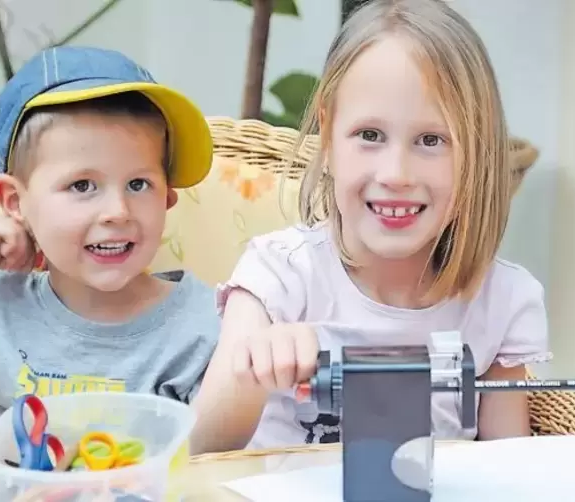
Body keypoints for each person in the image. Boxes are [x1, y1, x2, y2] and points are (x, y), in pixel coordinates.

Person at [191, 0, 551, 454]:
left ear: (477, 151)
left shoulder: (502, 302)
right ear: (328, 131)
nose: (396, 173)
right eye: (370, 135)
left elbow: (509, 472)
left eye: (431, 140)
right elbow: (198, 452)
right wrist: (255, 371)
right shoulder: (276, 276)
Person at [0, 46, 220, 419]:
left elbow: (228, 459)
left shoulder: (204, 324)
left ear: (166, 197)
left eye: (138, 184)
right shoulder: (0, 313)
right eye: (82, 186)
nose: (118, 212)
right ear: (15, 201)